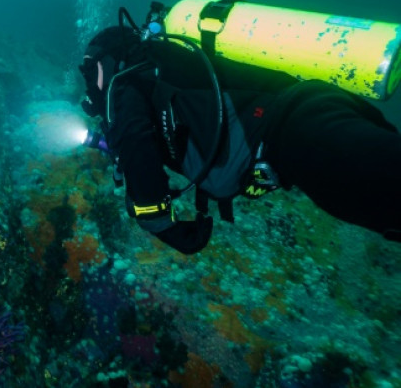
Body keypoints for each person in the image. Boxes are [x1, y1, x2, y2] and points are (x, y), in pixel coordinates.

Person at [79, 22, 401, 254]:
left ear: (107, 60)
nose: (89, 86)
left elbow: (135, 141)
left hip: (295, 129)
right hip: (304, 119)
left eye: (90, 71)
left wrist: (162, 224)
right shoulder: (158, 67)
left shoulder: (126, 81)